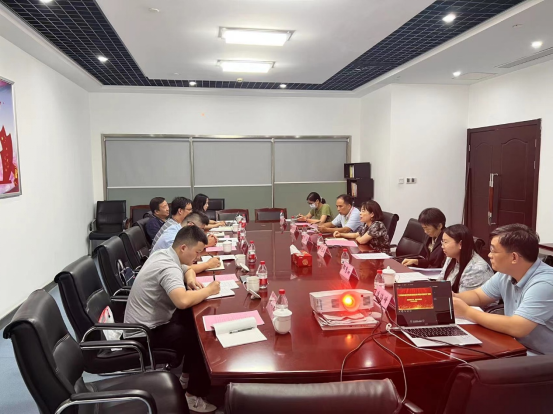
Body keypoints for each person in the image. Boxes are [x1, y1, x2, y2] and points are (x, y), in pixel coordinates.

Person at [124, 225, 221, 412]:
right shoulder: (168, 267)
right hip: (143, 334)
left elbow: (188, 268)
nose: (199, 257)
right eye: (197, 252)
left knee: (194, 322)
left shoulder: (165, 254)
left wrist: (190, 279)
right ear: (183, 248)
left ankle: (187, 377)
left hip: (149, 323)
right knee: (202, 339)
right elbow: (182, 301)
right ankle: (193, 396)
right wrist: (209, 290)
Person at [453, 224, 553, 355]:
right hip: (517, 346)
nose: (489, 255)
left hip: (543, 357)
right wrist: (452, 297)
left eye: (493, 250)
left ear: (514, 257)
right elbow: (479, 295)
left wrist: (467, 312)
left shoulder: (545, 283)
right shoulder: (506, 273)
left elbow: (518, 327)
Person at [152, 211, 220, 273]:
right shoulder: (172, 238)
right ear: (190, 225)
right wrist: (208, 265)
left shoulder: (179, 230)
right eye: (201, 230)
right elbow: (182, 268)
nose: (202, 233)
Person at [440, 224, 493, 293]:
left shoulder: (476, 269)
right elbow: (440, 281)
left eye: (445, 242)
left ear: (460, 244)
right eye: (442, 242)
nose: (442, 246)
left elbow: (464, 297)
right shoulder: (451, 257)